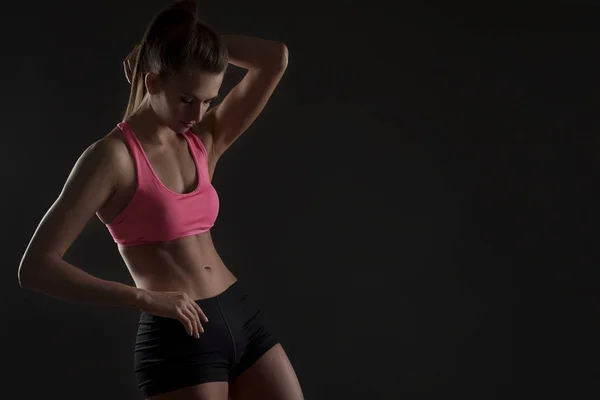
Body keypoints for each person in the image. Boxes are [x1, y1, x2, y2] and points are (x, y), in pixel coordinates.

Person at [17, 1, 303, 399]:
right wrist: (143, 298)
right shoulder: (112, 158)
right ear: (151, 82)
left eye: (208, 100)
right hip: (180, 335)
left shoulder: (203, 139)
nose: (199, 112)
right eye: (187, 98)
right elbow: (35, 268)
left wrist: (183, 43)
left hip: (242, 316)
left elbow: (276, 58)